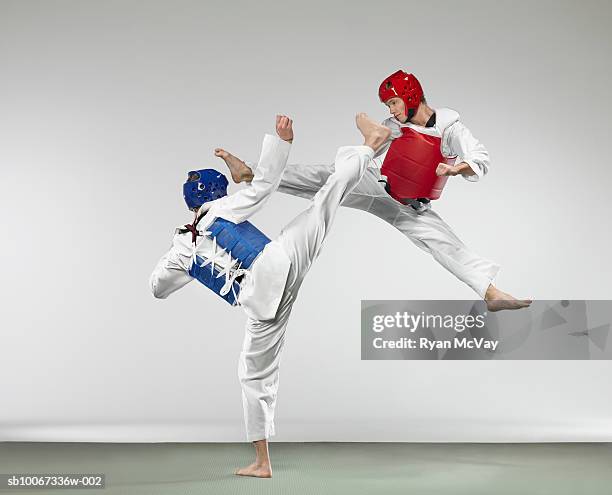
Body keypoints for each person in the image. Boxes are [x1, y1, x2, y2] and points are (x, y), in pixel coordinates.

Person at [150, 113, 391, 477]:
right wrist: (282, 142)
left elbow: (157, 289)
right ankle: (371, 144)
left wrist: (189, 267)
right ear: (217, 194)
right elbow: (263, 187)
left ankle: (263, 462)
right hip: (282, 258)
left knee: (254, 376)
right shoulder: (222, 208)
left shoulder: (180, 247)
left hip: (263, 303)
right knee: (326, 200)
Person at [219, 71, 531, 312]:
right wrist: (368, 134)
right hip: (376, 184)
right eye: (388, 106)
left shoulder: (450, 127)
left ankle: (491, 294)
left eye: (394, 103)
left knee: (446, 245)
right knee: (327, 177)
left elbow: (480, 158)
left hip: (411, 207)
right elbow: (374, 145)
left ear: (410, 96)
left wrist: (456, 168)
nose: (393, 110)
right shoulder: (395, 125)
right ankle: (250, 172)